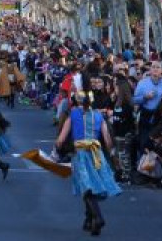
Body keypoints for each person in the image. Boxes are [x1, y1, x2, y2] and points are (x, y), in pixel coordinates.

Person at [55, 90, 121, 236]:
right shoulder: (99, 116)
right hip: (97, 153)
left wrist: (57, 150)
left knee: (86, 186)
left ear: (76, 101)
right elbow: (108, 140)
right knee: (93, 184)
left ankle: (98, 217)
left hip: (81, 153)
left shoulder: (73, 114)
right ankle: (89, 219)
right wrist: (111, 155)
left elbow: (61, 139)